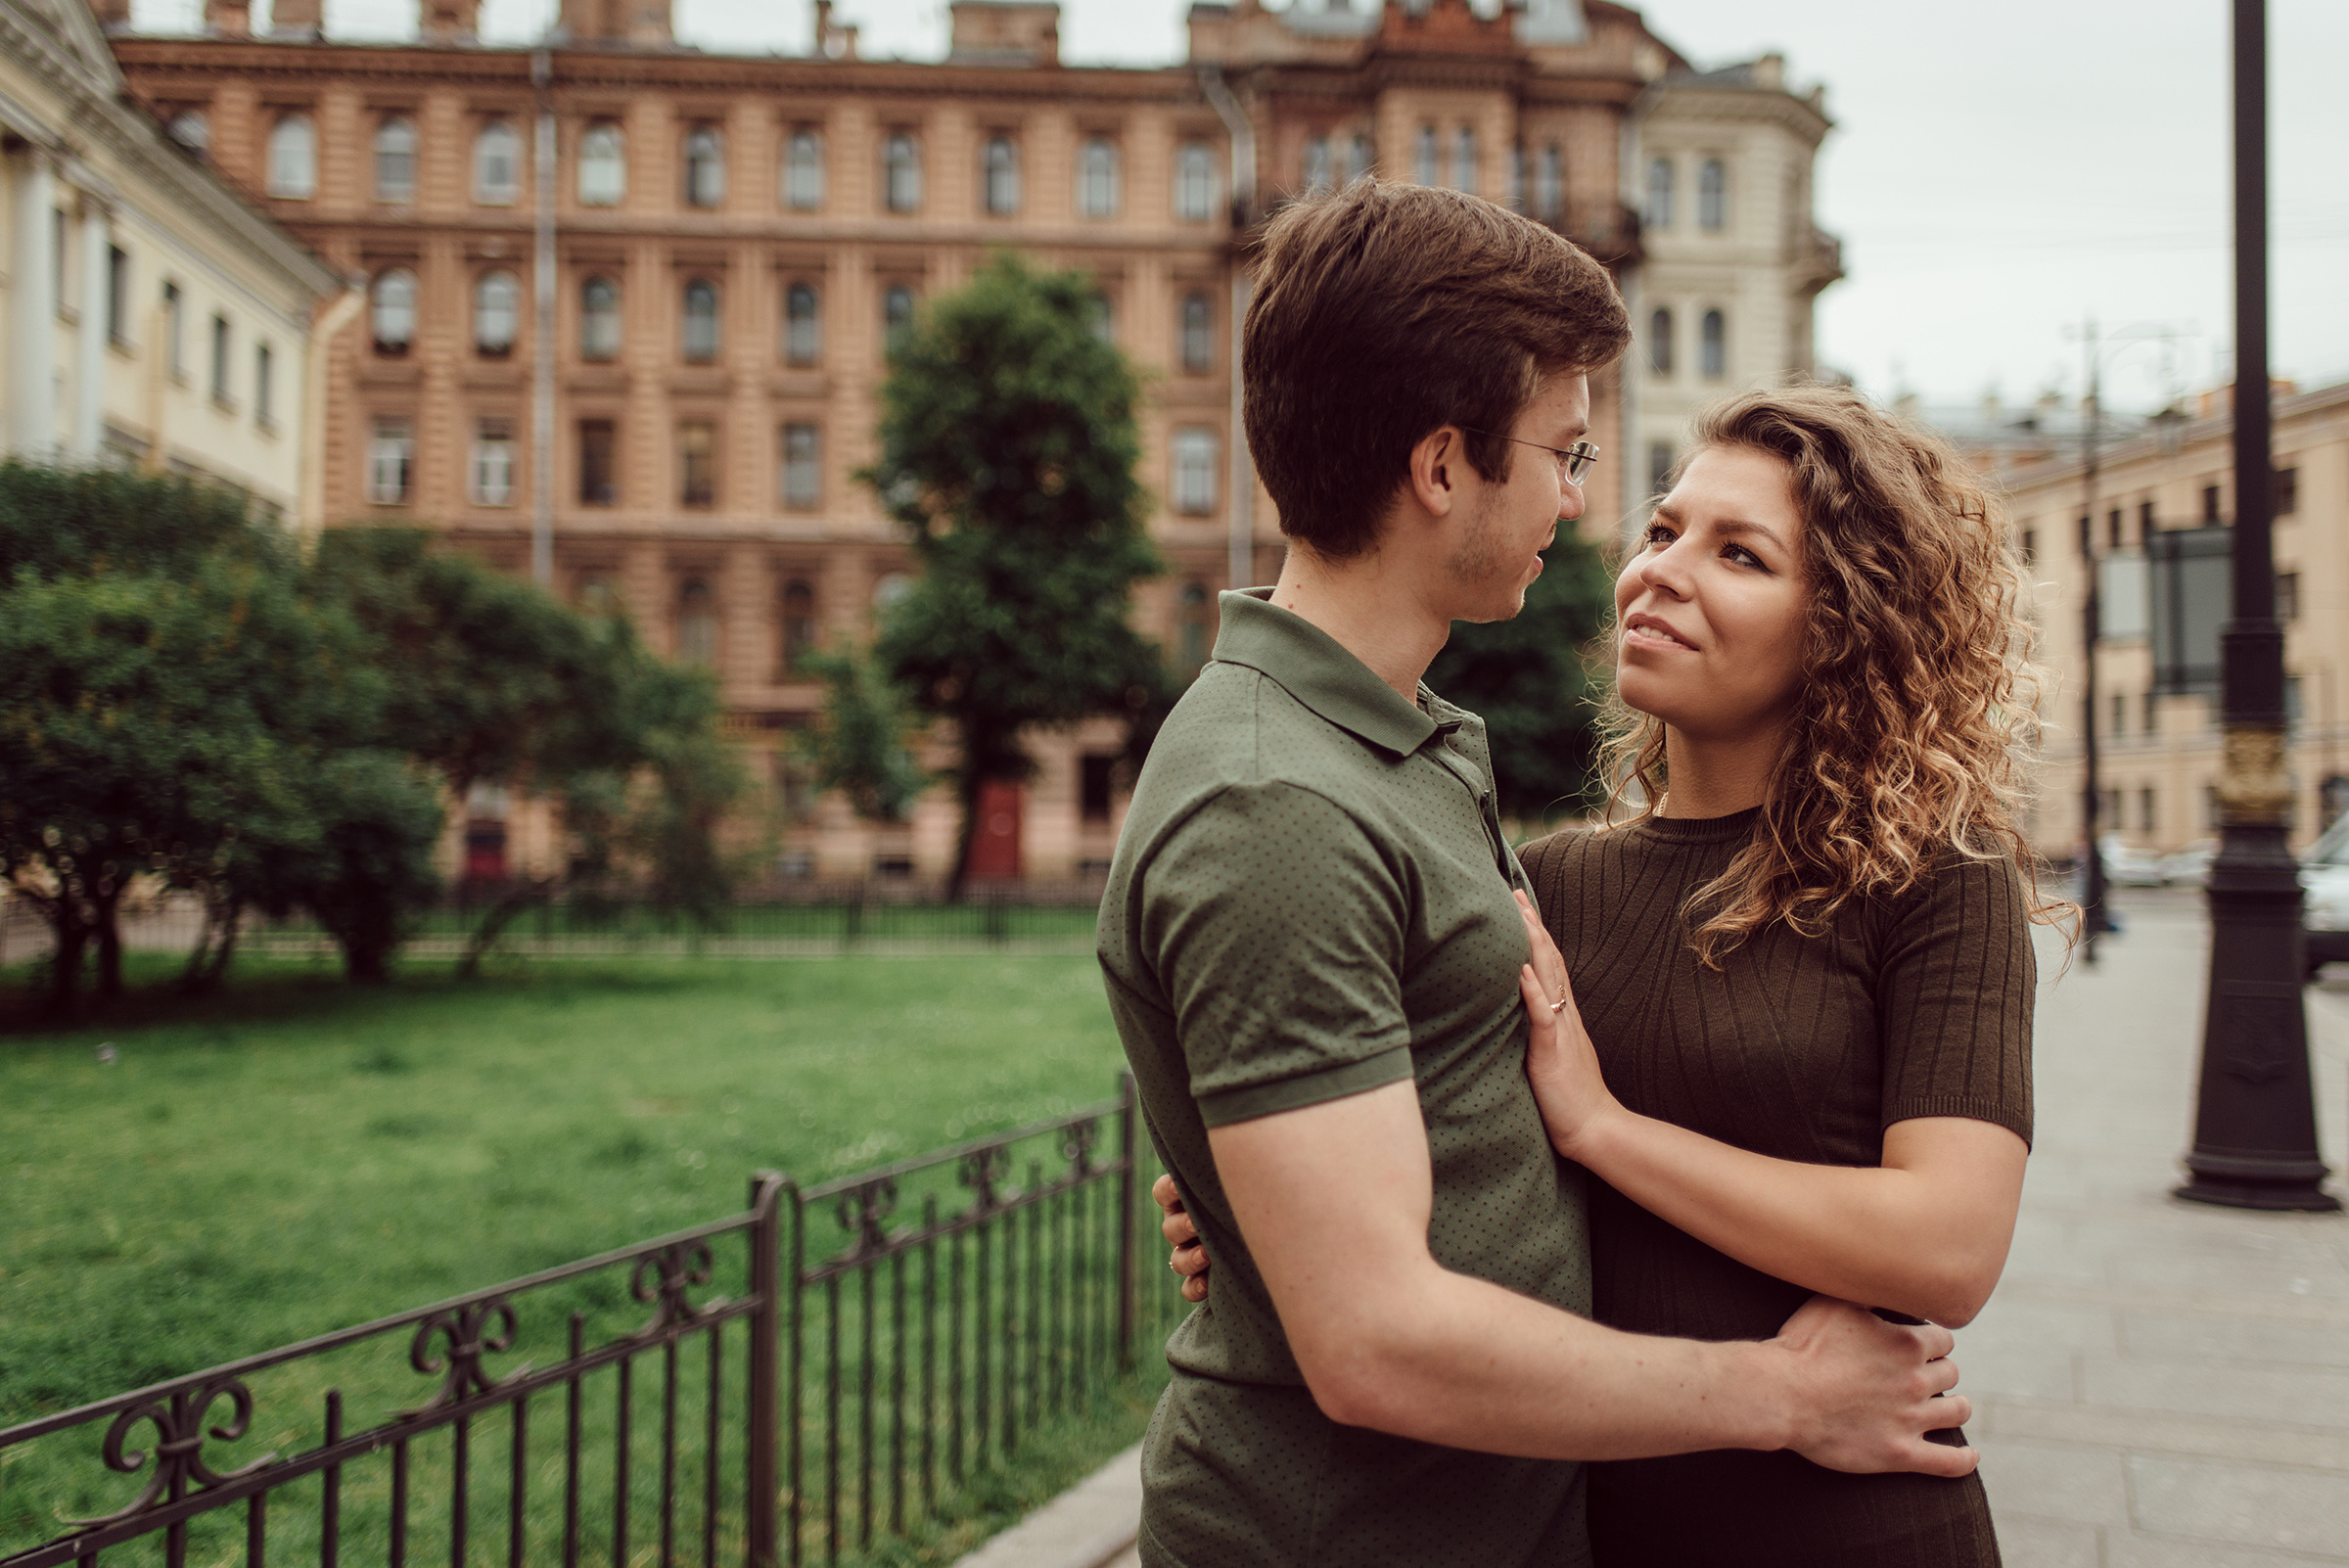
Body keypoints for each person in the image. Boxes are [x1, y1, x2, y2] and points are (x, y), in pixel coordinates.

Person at [1100, 178, 1976, 1568]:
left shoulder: (1409, 745)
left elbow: (1438, 1101)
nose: (1586, 502)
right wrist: (1784, 1392)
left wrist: (1259, 1196)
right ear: (1443, 465)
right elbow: (1375, 1340)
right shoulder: (1275, 799)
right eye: (1566, 452)